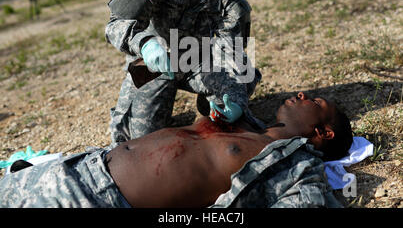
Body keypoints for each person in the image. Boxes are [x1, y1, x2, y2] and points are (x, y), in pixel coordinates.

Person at [0, 92, 353, 208]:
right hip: (78, 168)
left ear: (323, 131)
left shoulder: (300, 166)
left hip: (93, 200)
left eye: (316, 101)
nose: (304, 95)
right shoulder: (247, 121)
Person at [105, 0, 262, 147]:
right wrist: (145, 44)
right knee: (140, 141)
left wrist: (237, 101)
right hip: (157, 63)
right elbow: (115, 23)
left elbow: (233, 56)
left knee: (235, 98)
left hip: (200, 62)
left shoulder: (232, 0)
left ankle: (208, 103)